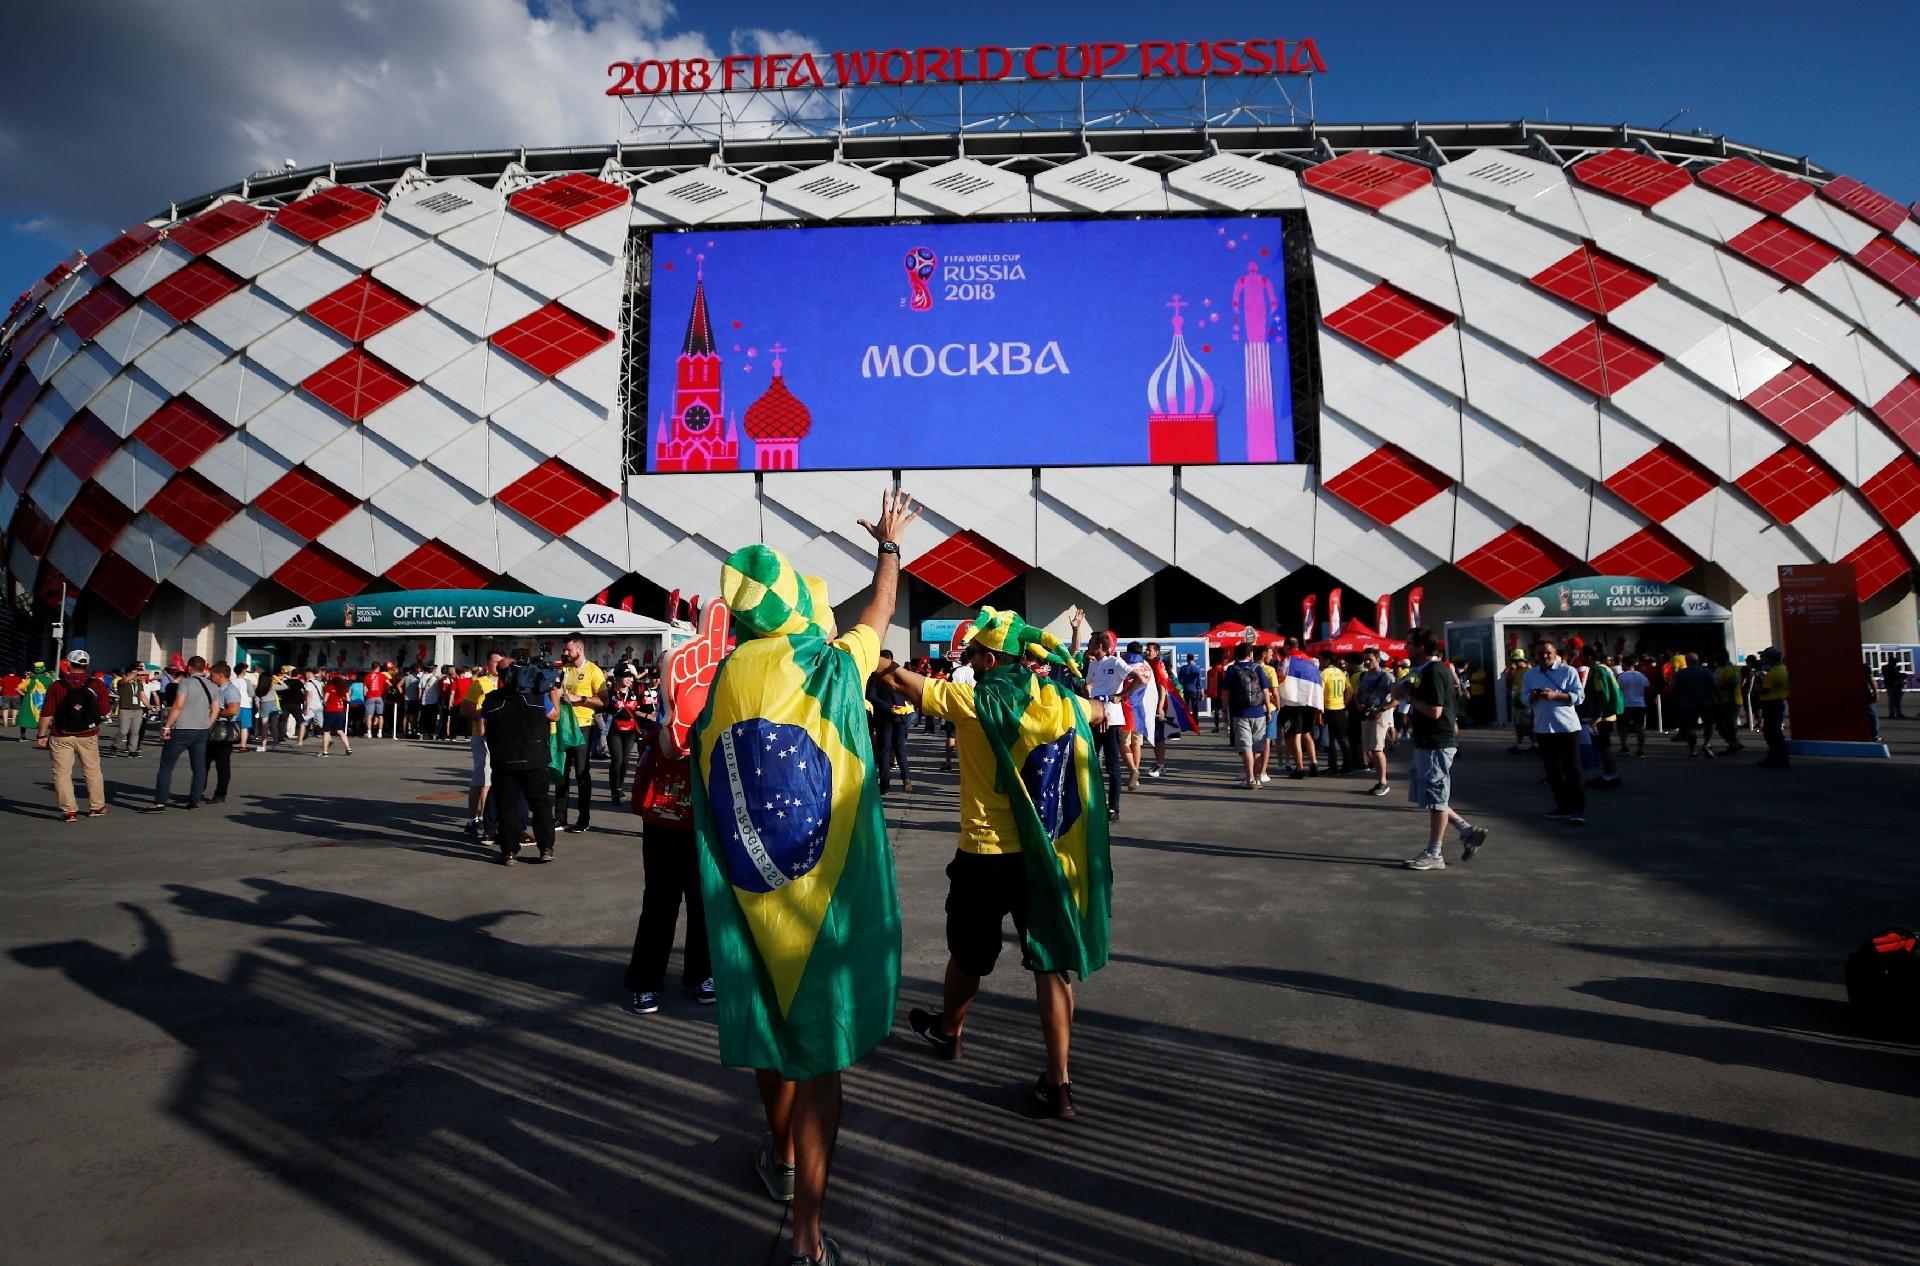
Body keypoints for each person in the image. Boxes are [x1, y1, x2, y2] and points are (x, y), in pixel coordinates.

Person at [690, 490, 915, 1266]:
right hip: (823, 905)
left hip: (751, 896)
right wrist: (888, 545)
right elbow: (882, 607)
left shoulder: (723, 682)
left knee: (771, 1033)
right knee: (821, 1063)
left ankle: (781, 1160)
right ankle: (809, 1238)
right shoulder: (826, 661)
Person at [886, 603, 1111, 1124]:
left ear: (991, 661)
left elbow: (913, 688)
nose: (967, 658)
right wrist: (1123, 697)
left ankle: (949, 1033)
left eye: (975, 653)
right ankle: (1059, 1084)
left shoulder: (971, 699)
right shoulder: (1056, 698)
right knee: (1051, 964)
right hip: (1044, 857)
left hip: (984, 854)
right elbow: (1099, 713)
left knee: (968, 955)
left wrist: (888, 667)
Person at [624, 707, 712, 1014]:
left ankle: (702, 974)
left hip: (704, 830)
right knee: (660, 905)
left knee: (703, 904)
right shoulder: (667, 723)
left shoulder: (719, 720)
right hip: (664, 825)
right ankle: (645, 982)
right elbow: (667, 746)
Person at [1397, 629, 1489, 870]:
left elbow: (1435, 711)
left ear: (1421, 646)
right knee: (1430, 796)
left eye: (1409, 644)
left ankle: (1434, 853)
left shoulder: (1436, 671)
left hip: (1437, 743)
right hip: (1427, 743)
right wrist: (1406, 687)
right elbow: (1400, 691)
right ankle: (1467, 831)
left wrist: (1410, 697)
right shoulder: (1424, 671)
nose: (1405, 647)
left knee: (1436, 798)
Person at [482, 650, 563, 862]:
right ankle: (546, 848)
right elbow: (555, 715)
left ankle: (509, 850)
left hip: (503, 760)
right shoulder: (537, 697)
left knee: (506, 806)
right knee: (541, 804)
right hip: (534, 759)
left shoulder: (491, 700)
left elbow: (483, 727)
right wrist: (553, 689)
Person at [35, 649, 112, 822]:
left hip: (61, 734)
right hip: (88, 734)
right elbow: (105, 709)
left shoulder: (57, 686)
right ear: (87, 665)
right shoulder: (96, 684)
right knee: (92, 771)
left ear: (68, 664)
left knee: (62, 773)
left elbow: (47, 713)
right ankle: (97, 806)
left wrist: (41, 734)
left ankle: (69, 811)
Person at [141, 656, 219, 812]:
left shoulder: (186, 683)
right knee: (198, 767)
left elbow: (177, 706)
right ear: (204, 668)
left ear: (189, 668)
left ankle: (160, 802)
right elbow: (215, 709)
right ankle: (194, 800)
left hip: (183, 729)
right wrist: (206, 725)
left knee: (167, 766)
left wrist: (166, 727)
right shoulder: (212, 685)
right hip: (201, 730)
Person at [1522, 641, 1586, 824]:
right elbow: (1523, 698)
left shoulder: (1568, 671)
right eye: (1540, 653)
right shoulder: (1530, 674)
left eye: (1547, 653)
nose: (1544, 656)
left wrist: (1556, 696)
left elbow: (1579, 697)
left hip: (1567, 727)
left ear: (1555, 652)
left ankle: (1578, 810)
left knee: (1573, 769)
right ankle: (1563, 807)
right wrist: (1533, 696)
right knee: (1553, 772)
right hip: (1543, 728)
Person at [552, 637, 607, 834]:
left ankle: (583, 819)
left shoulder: (593, 670)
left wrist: (580, 698)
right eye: (564, 650)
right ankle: (559, 818)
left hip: (583, 726)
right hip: (562, 726)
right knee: (561, 773)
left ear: (580, 649)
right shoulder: (564, 669)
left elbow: (603, 700)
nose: (565, 653)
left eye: (568, 650)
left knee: (582, 773)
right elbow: (556, 693)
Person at [459, 651, 505, 842]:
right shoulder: (480, 683)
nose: (499, 666)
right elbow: (465, 709)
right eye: (495, 662)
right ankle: (479, 821)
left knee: (488, 779)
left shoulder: (506, 684)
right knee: (484, 778)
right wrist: (486, 714)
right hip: (481, 735)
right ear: (487, 664)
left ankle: (480, 819)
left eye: (501, 662)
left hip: (500, 737)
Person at [866, 650, 913, 794]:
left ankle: (885, 785)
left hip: (885, 717)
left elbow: (871, 696)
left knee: (885, 750)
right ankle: (906, 781)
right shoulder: (900, 675)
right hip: (898, 716)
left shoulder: (876, 677)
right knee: (899, 748)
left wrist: (887, 707)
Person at [1278, 638, 1324, 779]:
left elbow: (1280, 679)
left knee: (1295, 735)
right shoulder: (1311, 662)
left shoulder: (1287, 661)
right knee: (1307, 733)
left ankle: (1299, 769)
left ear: (1287, 646)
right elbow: (1319, 681)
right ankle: (1314, 764)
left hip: (1294, 703)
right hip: (1310, 702)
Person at [1353, 648, 1395, 796]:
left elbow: (1397, 698)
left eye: (1370, 659)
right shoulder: (1363, 675)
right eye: (1365, 659)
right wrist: (1359, 704)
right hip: (1366, 715)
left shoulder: (1387, 676)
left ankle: (1383, 782)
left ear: (1378, 659)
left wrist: (1381, 709)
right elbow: (1357, 694)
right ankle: (1379, 779)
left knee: (1377, 749)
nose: (1367, 662)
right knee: (1369, 749)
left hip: (1379, 715)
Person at [1581, 650, 1624, 791]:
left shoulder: (1597, 671)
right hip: (1608, 714)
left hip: (1603, 716)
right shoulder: (1606, 668)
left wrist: (1597, 716)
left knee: (1604, 747)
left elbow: (1602, 694)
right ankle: (1609, 774)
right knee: (1605, 746)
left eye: (1583, 656)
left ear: (1589, 657)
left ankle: (1610, 776)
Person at [605, 665, 647, 804]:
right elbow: (604, 708)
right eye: (626, 676)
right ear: (617, 678)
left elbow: (639, 710)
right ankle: (614, 791)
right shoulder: (610, 693)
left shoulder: (635, 692)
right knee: (616, 761)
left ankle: (620, 786)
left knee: (625, 761)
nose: (629, 679)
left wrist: (648, 715)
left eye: (630, 676)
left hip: (630, 731)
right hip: (614, 730)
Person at [205, 662, 244, 803]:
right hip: (214, 729)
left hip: (223, 731)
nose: (211, 677)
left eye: (213, 675)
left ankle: (220, 793)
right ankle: (198, 790)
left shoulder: (230, 690)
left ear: (221, 675)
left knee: (222, 764)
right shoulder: (219, 688)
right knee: (203, 763)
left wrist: (215, 713)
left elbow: (233, 710)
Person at [1756, 647, 1790, 768]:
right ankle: (1776, 757)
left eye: (1764, 656)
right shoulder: (1782, 669)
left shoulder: (1774, 672)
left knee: (1772, 733)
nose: (1762, 658)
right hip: (1777, 703)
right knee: (1774, 732)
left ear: (1770, 658)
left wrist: (1757, 687)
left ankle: (1777, 758)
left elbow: (1764, 690)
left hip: (1771, 704)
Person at [1319, 651, 1351, 775]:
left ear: (1327, 660)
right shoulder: (1341, 673)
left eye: (1321, 660)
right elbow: (1350, 690)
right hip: (1340, 708)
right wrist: (1344, 702)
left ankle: (1333, 765)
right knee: (1342, 739)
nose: (1320, 662)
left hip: (1328, 708)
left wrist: (1319, 709)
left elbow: (1319, 691)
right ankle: (1347, 765)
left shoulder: (1324, 673)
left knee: (1330, 740)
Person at [1615, 658, 1650, 758]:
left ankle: (1624, 747)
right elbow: (1647, 689)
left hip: (1625, 704)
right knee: (1640, 727)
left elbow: (1618, 690)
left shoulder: (1621, 676)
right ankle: (1640, 749)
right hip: (1639, 704)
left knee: (1622, 727)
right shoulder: (1642, 676)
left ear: (1625, 664)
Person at [1504, 648, 1535, 753]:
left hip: (1525, 702)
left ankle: (1521, 744)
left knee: (1523, 725)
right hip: (1517, 700)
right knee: (1519, 725)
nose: (1515, 663)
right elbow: (1508, 681)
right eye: (1514, 661)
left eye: (1517, 661)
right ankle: (1532, 743)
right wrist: (1510, 668)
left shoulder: (1528, 671)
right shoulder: (1515, 671)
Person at [113, 665, 147, 757]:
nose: (137, 675)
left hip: (137, 710)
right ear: (128, 673)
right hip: (125, 710)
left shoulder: (139, 684)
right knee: (123, 731)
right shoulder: (122, 682)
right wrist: (134, 673)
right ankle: (114, 746)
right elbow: (125, 680)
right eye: (135, 673)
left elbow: (142, 696)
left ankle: (132, 750)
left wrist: (149, 706)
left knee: (135, 731)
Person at [17, 660, 55, 743]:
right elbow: (53, 690)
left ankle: (22, 736)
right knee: (45, 718)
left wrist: (24, 695)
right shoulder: (49, 680)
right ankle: (41, 736)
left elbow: (19, 688)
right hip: (44, 702)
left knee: (25, 718)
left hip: (30, 702)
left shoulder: (30, 680)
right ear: (44, 669)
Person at [319, 672, 353, 757]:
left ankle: (325, 752)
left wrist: (324, 702)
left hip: (330, 710)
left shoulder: (329, 687)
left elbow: (325, 699)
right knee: (340, 730)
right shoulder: (344, 688)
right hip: (340, 711)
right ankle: (348, 748)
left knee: (326, 731)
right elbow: (348, 699)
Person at [364, 663, 388, 738]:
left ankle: (369, 733)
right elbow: (389, 684)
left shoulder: (367, 676)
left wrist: (365, 695)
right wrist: (384, 690)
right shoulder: (382, 676)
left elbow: (365, 689)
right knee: (380, 715)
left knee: (369, 716)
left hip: (370, 697)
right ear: (378, 667)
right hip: (379, 697)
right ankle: (380, 732)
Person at [0, 665, 21, 737]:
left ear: (7, 672)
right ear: (15, 672)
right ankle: (13, 721)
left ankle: (5, 723)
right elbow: (20, 687)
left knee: (5, 709)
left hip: (5, 695)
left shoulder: (3, 679)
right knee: (15, 708)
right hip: (16, 695)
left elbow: (0, 687)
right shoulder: (18, 678)